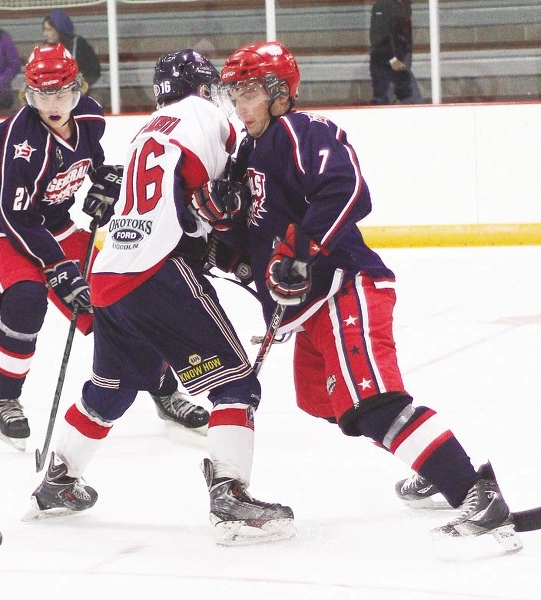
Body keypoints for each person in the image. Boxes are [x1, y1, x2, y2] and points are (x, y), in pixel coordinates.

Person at [216, 40, 522, 552]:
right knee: (325, 402)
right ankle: (430, 458)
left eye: (248, 92)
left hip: (345, 287)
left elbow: (347, 189)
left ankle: (475, 494)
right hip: (311, 308)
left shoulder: (301, 131)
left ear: (278, 93)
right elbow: (251, 244)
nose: (239, 105)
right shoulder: (247, 154)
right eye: (234, 94)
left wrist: (300, 255)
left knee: (372, 404)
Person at [24, 49, 294, 546]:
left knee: (112, 388)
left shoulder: (147, 129)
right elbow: (242, 178)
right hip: (158, 272)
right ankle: (230, 496)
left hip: (108, 277)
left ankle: (60, 481)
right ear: (205, 87)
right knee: (235, 382)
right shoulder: (208, 116)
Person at [0, 43, 208, 451]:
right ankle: (5, 397)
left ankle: (161, 386)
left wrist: (108, 182)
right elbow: (13, 215)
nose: (53, 104)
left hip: (53, 225)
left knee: (119, 303)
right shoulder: (18, 138)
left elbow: (94, 163)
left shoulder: (89, 117)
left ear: (78, 89)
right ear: (29, 96)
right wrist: (58, 267)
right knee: (25, 299)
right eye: (42, 96)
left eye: (62, 94)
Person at [369, 0, 422, 104]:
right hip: (390, 58)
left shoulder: (402, 5)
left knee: (405, 93)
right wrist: (392, 59)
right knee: (405, 94)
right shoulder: (383, 6)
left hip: (399, 56)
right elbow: (378, 39)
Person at [42, 10, 101, 89]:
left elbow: (93, 72)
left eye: (49, 30)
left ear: (60, 30)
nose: (45, 34)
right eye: (45, 30)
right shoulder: (46, 47)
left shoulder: (80, 45)